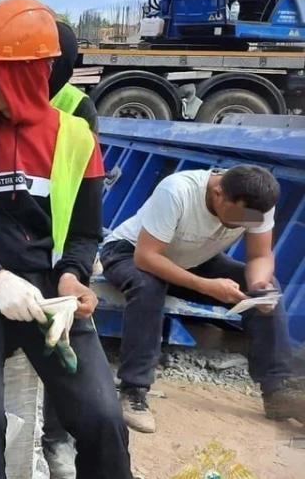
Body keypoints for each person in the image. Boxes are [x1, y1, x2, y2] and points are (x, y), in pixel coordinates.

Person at [0, 0, 132, 479]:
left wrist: (73, 278)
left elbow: (82, 234)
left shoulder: (77, 140)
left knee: (103, 419)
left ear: (29, 74)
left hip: (49, 294)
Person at [0, 18, 93, 478]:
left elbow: (81, 223)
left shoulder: (76, 126)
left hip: (47, 278)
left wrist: (72, 275)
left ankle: (57, 442)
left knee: (99, 413)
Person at [101, 165, 303, 432]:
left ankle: (278, 391)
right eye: (237, 217)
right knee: (148, 286)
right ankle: (133, 391)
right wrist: (205, 286)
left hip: (193, 258)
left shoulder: (257, 205)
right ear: (218, 193)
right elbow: (146, 257)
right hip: (130, 252)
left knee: (268, 288)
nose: (242, 224)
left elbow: (260, 256)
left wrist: (258, 286)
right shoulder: (178, 191)